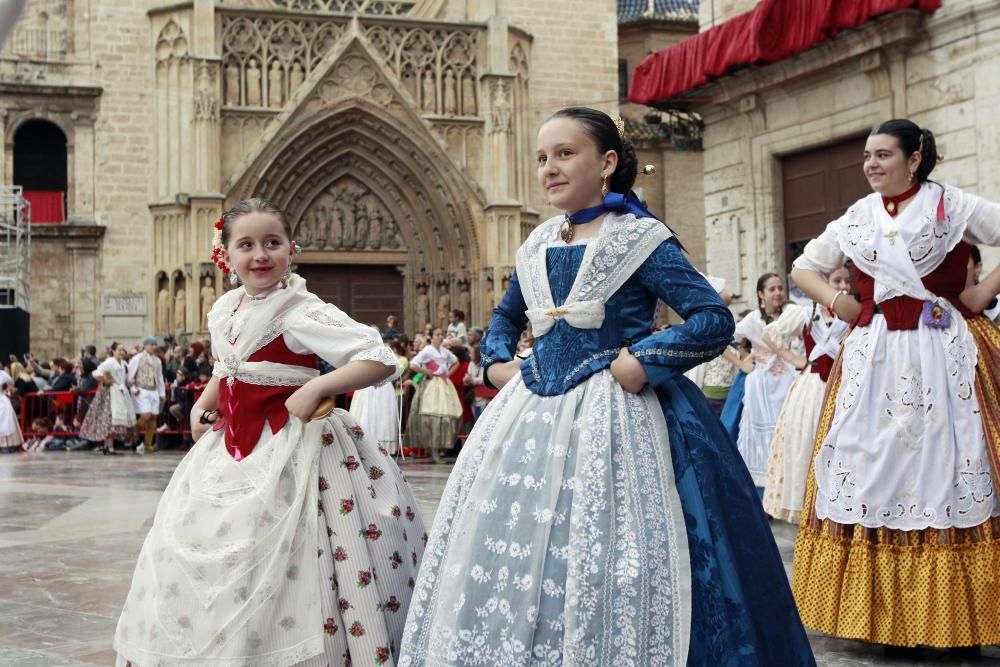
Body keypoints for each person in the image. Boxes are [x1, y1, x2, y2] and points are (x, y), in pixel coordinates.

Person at [399, 107, 814, 665]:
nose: (549, 168)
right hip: (531, 417)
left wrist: (644, 358)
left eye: (566, 154)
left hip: (624, 416)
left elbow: (711, 318)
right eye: (543, 157)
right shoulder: (537, 242)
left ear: (608, 163)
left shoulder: (640, 237)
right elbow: (505, 316)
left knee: (621, 549)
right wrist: (497, 363)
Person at [114, 198, 426, 667]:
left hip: (297, 444)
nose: (260, 255)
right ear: (226, 256)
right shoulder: (225, 309)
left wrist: (319, 384)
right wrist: (205, 402)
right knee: (217, 551)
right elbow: (230, 366)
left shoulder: (300, 309)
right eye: (247, 245)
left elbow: (378, 358)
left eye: (272, 243)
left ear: (291, 249)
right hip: (233, 449)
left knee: (299, 556)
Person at [790, 119, 1000, 654]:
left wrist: (979, 294)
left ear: (915, 159)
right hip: (877, 355)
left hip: (941, 349)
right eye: (867, 156)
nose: (872, 164)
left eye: (883, 154)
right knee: (874, 468)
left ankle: (957, 623)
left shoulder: (952, 206)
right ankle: (887, 623)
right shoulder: (857, 217)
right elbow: (804, 268)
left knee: (949, 467)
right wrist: (841, 304)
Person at [761, 264, 851, 523]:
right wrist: (794, 358)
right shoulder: (805, 312)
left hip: (845, 383)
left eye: (847, 281)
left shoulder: (854, 311)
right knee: (808, 441)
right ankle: (811, 504)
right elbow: (770, 333)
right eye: (837, 281)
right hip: (812, 387)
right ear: (824, 282)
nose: (843, 286)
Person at [733, 273, 803, 493]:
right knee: (762, 437)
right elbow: (723, 338)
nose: (778, 293)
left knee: (790, 432)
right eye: (772, 289)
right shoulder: (753, 319)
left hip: (789, 380)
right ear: (760, 294)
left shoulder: (793, 314)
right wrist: (741, 361)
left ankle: (788, 491)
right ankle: (762, 493)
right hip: (762, 385)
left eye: (780, 288)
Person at [407, 327, 462, 463]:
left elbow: (456, 362)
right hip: (431, 385)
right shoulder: (427, 350)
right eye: (437, 334)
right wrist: (427, 372)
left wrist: (448, 373)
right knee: (432, 416)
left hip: (443, 383)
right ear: (432, 337)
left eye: (441, 334)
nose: (440, 336)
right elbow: (413, 364)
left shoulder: (445, 351)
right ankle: (434, 451)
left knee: (445, 415)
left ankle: (440, 448)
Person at [79, 344, 137, 455]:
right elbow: (97, 373)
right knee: (110, 419)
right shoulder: (109, 362)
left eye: (123, 350)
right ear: (113, 351)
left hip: (121, 392)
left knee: (113, 420)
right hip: (111, 393)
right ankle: (109, 447)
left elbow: (123, 379)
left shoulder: (123, 363)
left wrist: (128, 383)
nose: (121, 352)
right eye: (119, 350)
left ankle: (107, 446)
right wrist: (107, 381)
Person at [127, 336, 166, 455]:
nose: (154, 347)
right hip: (141, 390)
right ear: (145, 345)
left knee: (153, 417)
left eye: (155, 345)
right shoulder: (137, 358)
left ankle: (148, 444)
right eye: (151, 345)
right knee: (146, 415)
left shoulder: (157, 360)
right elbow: (130, 375)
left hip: (153, 390)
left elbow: (159, 378)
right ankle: (132, 434)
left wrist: (161, 392)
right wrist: (133, 388)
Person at [0, 368, 24, 452]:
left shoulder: (2, 374)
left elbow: (11, 382)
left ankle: (8, 444)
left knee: (5, 422)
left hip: (2, 401)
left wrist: (5, 390)